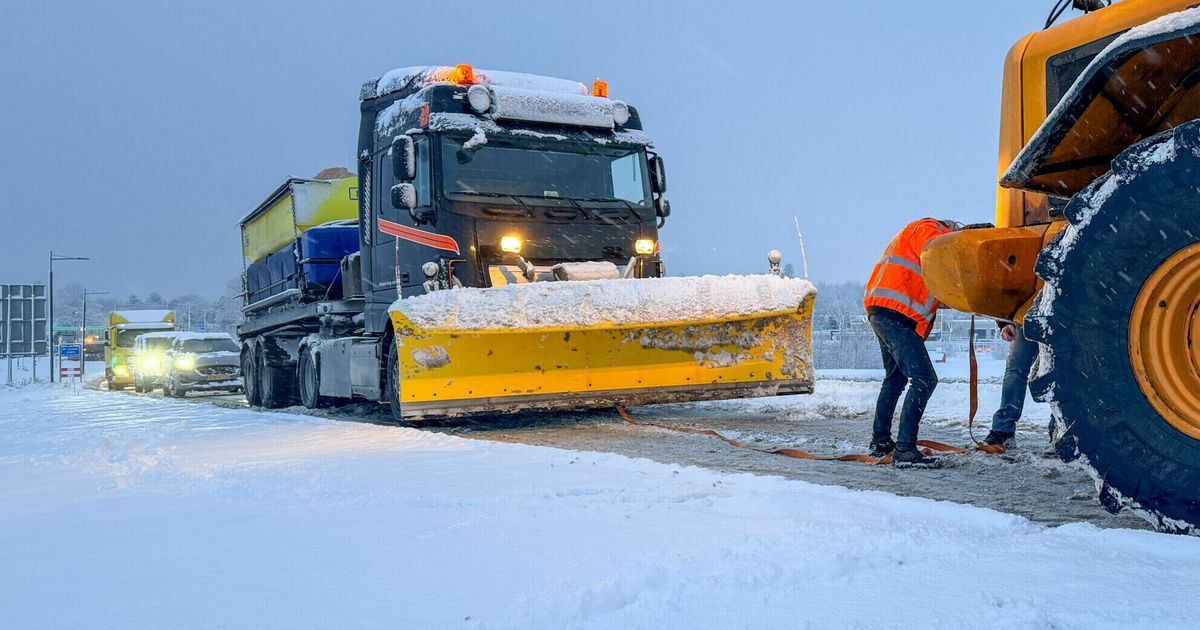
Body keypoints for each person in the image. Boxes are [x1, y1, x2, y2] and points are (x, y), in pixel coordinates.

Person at [863, 218, 961, 468]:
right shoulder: (930, 227)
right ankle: (905, 449)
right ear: (951, 230)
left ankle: (881, 441)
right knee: (925, 379)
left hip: (886, 311)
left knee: (895, 379)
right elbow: (936, 247)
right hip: (895, 312)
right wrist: (963, 242)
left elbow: (950, 295)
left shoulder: (926, 259)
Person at [983, 322, 1038, 447]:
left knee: (1062, 372)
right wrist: (1004, 322)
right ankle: (1003, 431)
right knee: (1015, 369)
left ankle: (1063, 430)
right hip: (1027, 316)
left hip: (1067, 314)